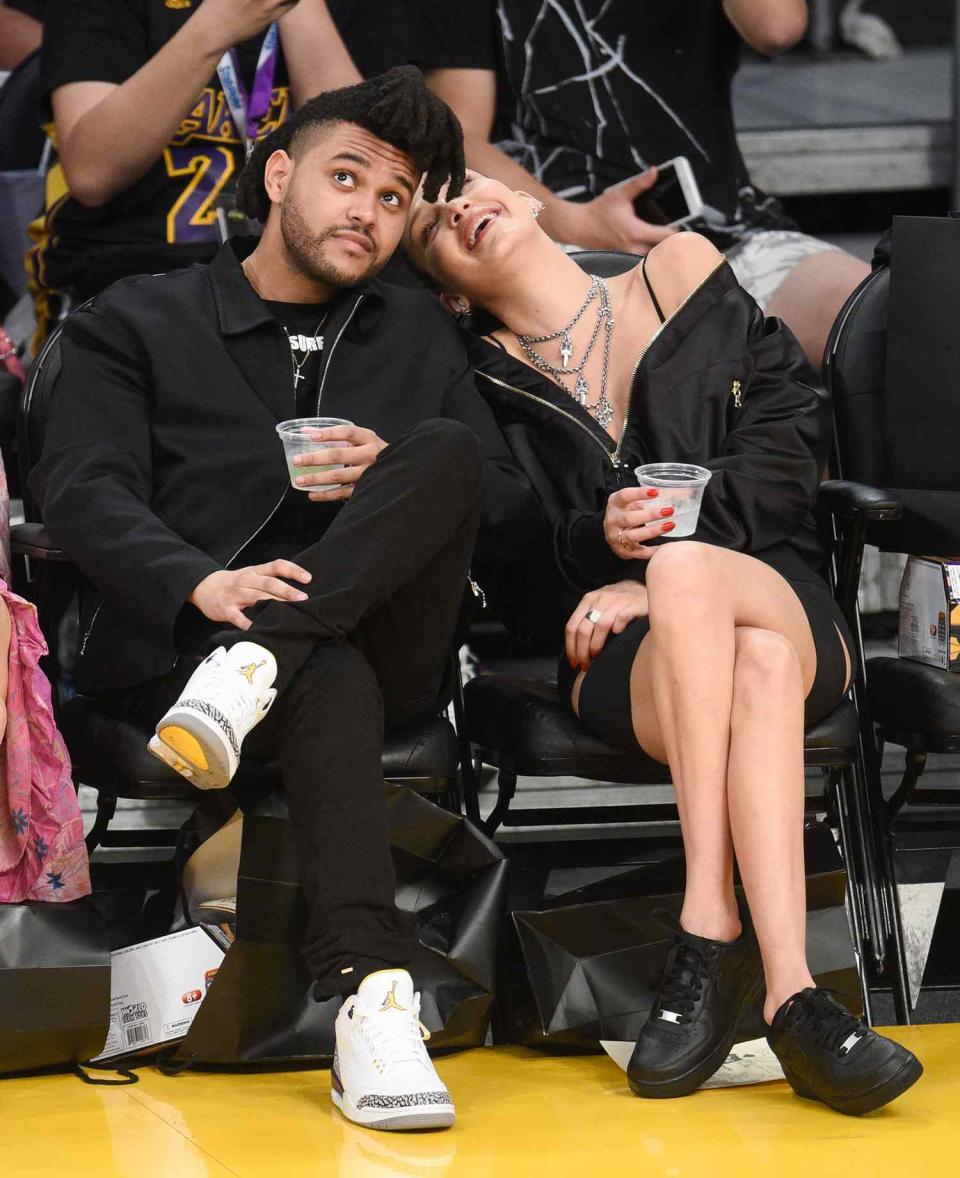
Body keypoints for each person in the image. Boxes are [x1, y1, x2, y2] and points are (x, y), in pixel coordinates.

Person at [31, 69, 540, 1132]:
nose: (368, 209)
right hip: (185, 654)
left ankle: (260, 659)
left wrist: (392, 466)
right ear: (278, 174)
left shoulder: (417, 333)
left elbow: (501, 497)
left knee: (442, 449)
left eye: (397, 198)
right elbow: (79, 489)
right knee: (328, 671)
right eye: (345, 176)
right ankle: (374, 997)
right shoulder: (140, 317)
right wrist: (202, 581)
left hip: (359, 646)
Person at [404, 169, 923, 1115]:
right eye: (435, 224)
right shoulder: (475, 381)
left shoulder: (675, 269)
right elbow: (510, 564)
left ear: (524, 199)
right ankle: (791, 995)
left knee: (694, 581)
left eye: (469, 187)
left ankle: (706, 924)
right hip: (619, 660)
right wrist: (592, 544)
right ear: (446, 287)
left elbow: (787, 443)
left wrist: (648, 572)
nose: (460, 208)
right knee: (746, 661)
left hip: (779, 595)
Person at [415, 0, 869, 368]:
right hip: (562, 244)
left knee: (885, 321)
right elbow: (460, 131)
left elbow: (778, 28)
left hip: (728, 233)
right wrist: (573, 222)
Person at [28, 0, 362, 342]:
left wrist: (301, 8)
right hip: (135, 283)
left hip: (288, 285)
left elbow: (357, 165)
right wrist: (214, 28)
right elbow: (92, 173)